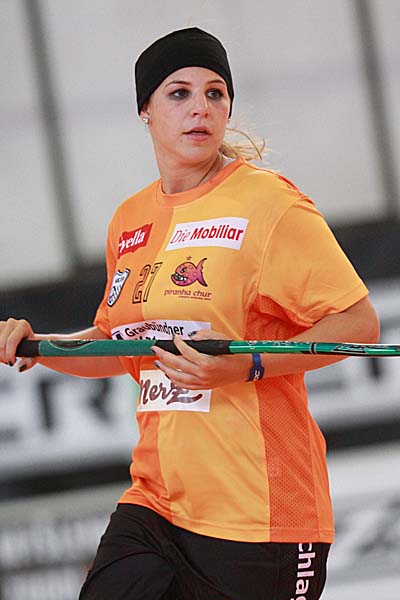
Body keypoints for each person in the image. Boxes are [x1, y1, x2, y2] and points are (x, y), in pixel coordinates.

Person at [0, 27, 380, 600]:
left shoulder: (269, 204)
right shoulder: (129, 219)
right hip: (157, 503)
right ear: (145, 110)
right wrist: (37, 345)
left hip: (258, 516)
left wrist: (244, 366)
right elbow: (120, 345)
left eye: (215, 93)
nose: (200, 107)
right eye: (179, 93)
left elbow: (359, 327)